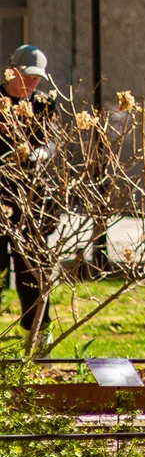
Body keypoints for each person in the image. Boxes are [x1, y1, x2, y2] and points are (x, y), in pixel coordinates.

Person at [0, 46, 59, 348]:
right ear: (11, 72)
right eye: (27, 77)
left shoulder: (45, 105)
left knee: (32, 269)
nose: (32, 84)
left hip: (31, 200)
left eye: (37, 79)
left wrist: (38, 153)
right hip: (0, 198)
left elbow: (52, 141)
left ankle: (37, 334)